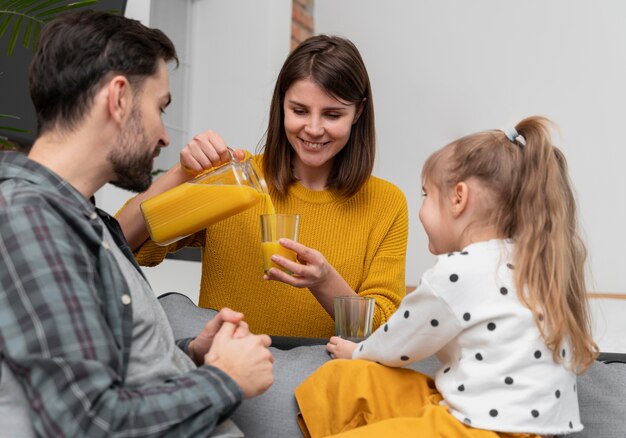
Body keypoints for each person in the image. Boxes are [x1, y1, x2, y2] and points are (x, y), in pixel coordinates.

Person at [0, 10, 273, 437]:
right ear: (119, 98)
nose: (166, 136)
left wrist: (192, 353)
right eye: (160, 108)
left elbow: (107, 363)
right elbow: (89, 421)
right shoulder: (28, 219)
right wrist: (225, 378)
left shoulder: (83, 218)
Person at [295, 116, 600, 437]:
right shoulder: (538, 261)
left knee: (346, 375)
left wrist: (357, 352)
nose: (421, 208)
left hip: (479, 429)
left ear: (458, 198)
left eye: (426, 195)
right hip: (513, 426)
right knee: (352, 381)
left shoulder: (458, 272)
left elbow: (400, 339)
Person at [116, 35, 409, 338]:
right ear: (281, 103)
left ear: (358, 112)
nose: (313, 128)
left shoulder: (385, 203)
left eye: (332, 114)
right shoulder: (235, 181)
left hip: (318, 380)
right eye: (299, 110)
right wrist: (182, 174)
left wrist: (324, 281)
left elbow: (381, 333)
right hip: (223, 373)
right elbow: (121, 242)